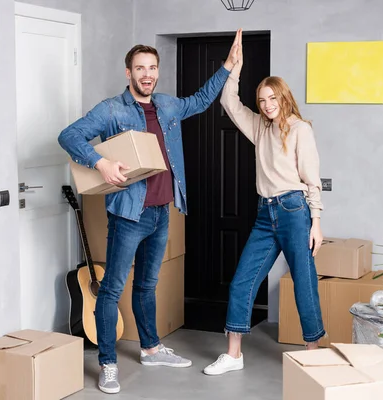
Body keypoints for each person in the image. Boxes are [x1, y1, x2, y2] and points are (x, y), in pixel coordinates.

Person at [58, 30, 242, 394]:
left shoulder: (167, 105)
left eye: (152, 68)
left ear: (157, 72)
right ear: (128, 73)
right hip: (129, 214)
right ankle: (108, 364)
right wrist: (100, 162)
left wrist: (227, 67)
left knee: (146, 285)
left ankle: (151, 348)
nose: (147, 74)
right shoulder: (112, 109)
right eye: (140, 68)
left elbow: (202, 100)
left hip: (161, 212)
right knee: (111, 289)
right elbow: (70, 136)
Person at [203, 30, 326, 376]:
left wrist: (316, 222)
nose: (267, 105)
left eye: (272, 99)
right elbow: (229, 102)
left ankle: (313, 355)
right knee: (243, 281)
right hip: (264, 213)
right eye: (262, 101)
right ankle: (233, 355)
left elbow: (311, 179)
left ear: (284, 97)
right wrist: (235, 67)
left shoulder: (301, 129)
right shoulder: (259, 127)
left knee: (303, 282)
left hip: (294, 211)